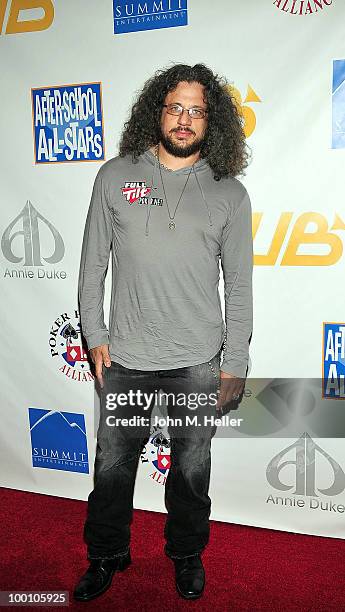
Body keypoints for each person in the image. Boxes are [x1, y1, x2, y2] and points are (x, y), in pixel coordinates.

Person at [73, 63, 253, 602]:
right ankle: (106, 554)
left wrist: (235, 362)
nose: (184, 119)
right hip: (125, 354)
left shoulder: (230, 194)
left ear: (211, 121)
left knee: (193, 468)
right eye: (175, 106)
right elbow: (91, 266)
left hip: (198, 359)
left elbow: (239, 287)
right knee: (112, 466)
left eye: (197, 110)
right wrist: (94, 334)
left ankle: (186, 553)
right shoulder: (114, 175)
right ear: (158, 109)